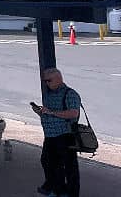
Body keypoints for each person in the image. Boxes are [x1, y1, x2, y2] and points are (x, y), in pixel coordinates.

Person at [34, 67, 81, 197]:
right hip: (50, 135)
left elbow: (73, 113)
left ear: (58, 79)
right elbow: (50, 113)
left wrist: (52, 112)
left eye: (49, 80)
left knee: (68, 167)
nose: (47, 83)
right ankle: (57, 188)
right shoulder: (49, 94)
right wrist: (41, 112)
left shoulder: (69, 94)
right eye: (45, 81)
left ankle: (71, 193)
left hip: (64, 135)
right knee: (48, 162)